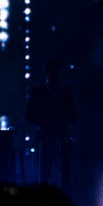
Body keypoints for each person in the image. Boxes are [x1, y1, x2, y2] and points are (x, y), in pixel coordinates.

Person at [26, 65, 79, 198]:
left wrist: (65, 118)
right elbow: (29, 115)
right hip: (45, 137)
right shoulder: (38, 92)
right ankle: (43, 203)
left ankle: (65, 203)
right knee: (44, 171)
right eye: (51, 74)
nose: (54, 77)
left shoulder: (64, 93)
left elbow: (73, 114)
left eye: (56, 74)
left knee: (65, 172)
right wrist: (43, 121)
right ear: (46, 75)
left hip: (62, 136)